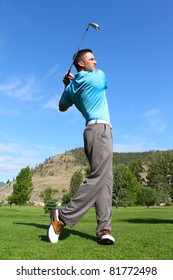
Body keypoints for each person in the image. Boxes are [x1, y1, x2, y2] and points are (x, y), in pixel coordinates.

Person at [48, 49, 115, 245]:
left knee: (105, 179)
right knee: (99, 177)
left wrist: (67, 85)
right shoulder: (98, 75)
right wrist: (73, 82)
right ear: (81, 64)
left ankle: (104, 229)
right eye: (91, 59)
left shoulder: (72, 87)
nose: (96, 61)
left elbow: (62, 106)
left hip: (91, 132)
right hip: (100, 130)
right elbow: (104, 84)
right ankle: (62, 216)